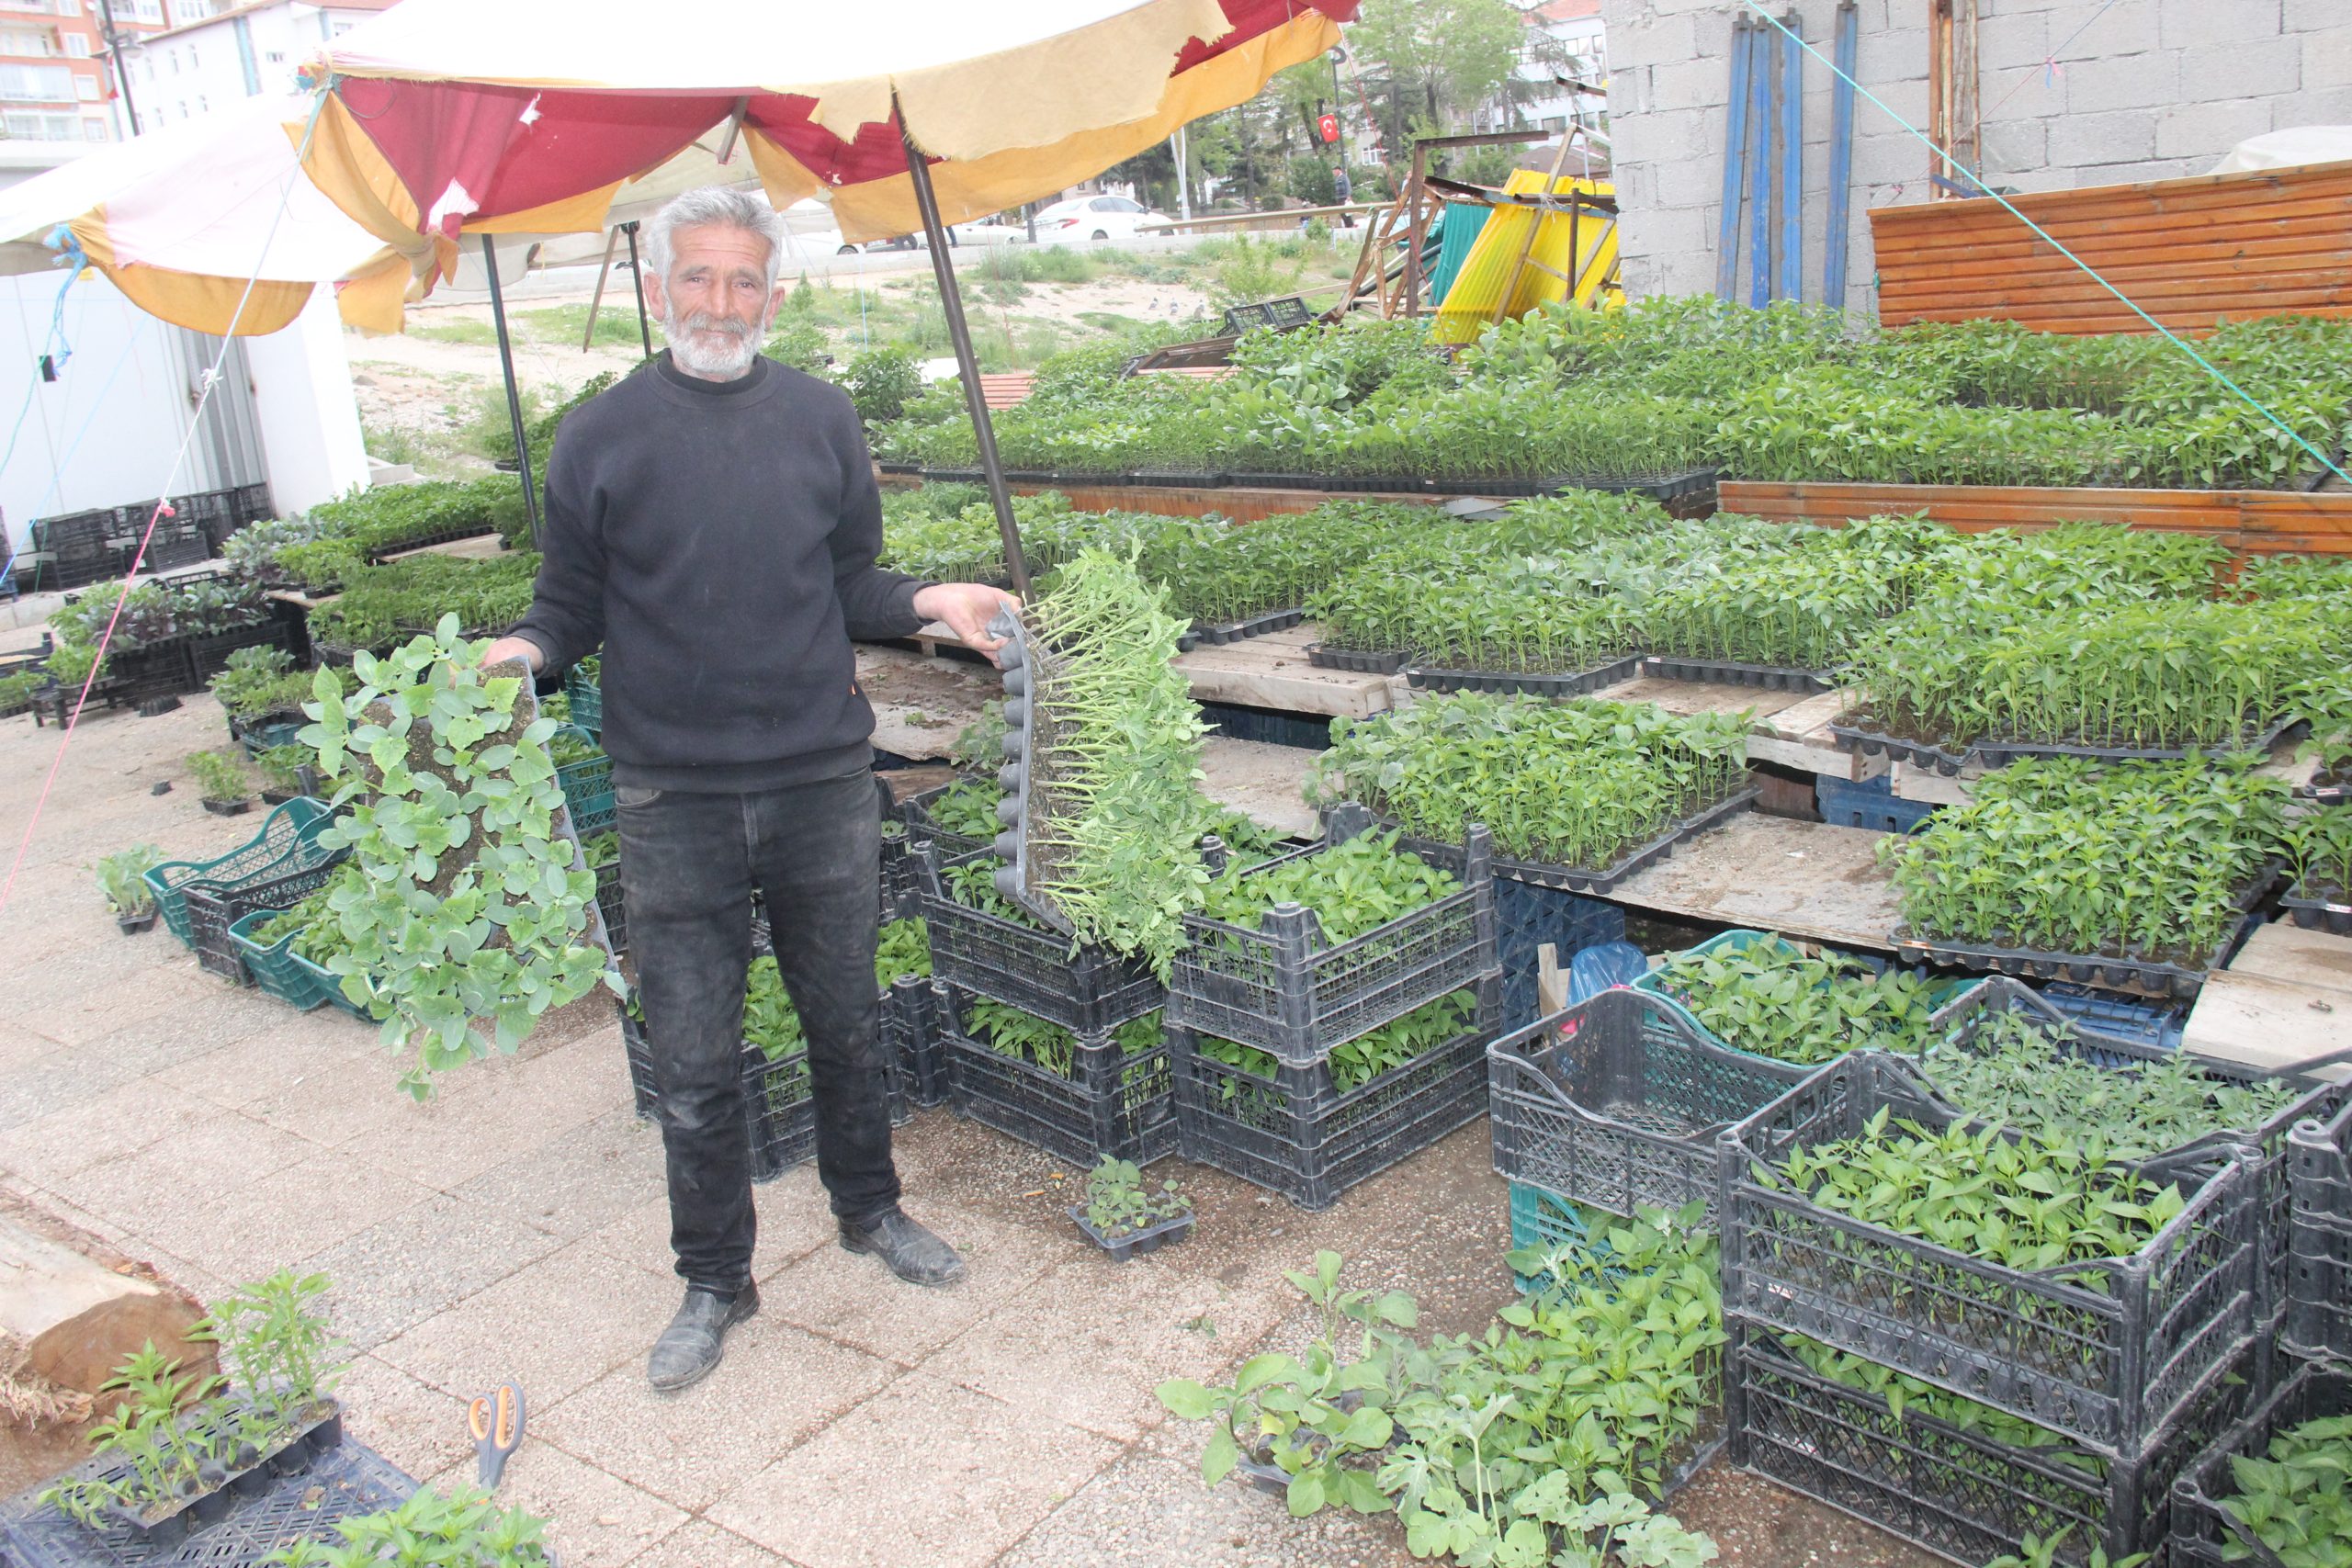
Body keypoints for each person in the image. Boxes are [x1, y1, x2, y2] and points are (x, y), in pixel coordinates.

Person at [485, 186, 1014, 1393]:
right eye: (699, 278)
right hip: (671, 796)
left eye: (743, 281)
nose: (720, 303)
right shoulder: (599, 437)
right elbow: (568, 603)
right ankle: (715, 1276)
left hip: (822, 775)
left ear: (773, 296)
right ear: (658, 287)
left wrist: (933, 601)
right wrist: (525, 653)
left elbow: (854, 581)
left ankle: (871, 1211)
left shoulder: (821, 420)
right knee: (694, 1053)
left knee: (847, 1018)